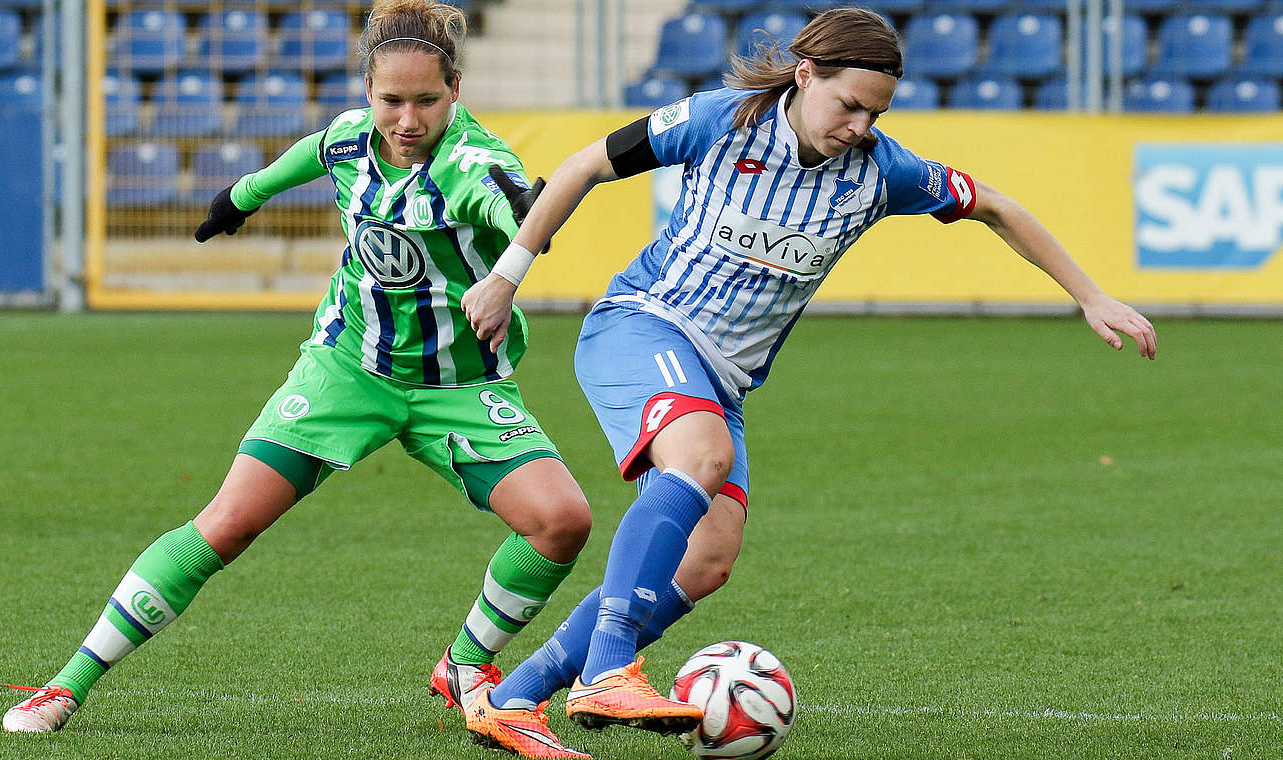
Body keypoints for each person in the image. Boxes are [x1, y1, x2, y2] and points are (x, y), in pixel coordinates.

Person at [457, 7, 1158, 758]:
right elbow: (587, 164)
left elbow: (994, 206)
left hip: (722, 380)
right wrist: (507, 276)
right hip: (643, 325)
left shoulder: (883, 172)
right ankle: (608, 668)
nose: (860, 125)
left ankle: (515, 697)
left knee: (706, 560)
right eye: (848, 104)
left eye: (876, 111)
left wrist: (1091, 294)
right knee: (701, 459)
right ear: (804, 75)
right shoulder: (720, 121)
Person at [2, 0, 592, 735]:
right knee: (226, 524)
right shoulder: (352, 139)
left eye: (426, 101)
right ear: (368, 95)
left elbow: (519, 207)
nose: (407, 119)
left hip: (458, 385)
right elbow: (309, 154)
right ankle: (65, 685)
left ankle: (466, 661)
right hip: (346, 370)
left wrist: (510, 260)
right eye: (390, 101)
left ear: (457, 91)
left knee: (561, 522)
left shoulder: (476, 164)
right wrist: (239, 198)